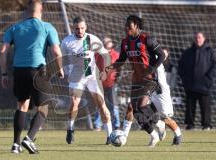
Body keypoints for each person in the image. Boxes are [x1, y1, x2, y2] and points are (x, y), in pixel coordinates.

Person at [0, 0, 64, 154]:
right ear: (41, 10)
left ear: (27, 10)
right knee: (44, 107)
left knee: (22, 105)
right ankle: (29, 139)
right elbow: (56, 51)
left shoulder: (14, 28)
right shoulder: (47, 27)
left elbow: (2, 51)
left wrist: (4, 73)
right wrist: (60, 69)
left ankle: (15, 145)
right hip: (37, 70)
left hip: (19, 71)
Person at [105, 15, 165, 147]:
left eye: (129, 26)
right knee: (136, 112)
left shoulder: (147, 39)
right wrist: (109, 67)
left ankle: (160, 123)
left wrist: (152, 69)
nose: (126, 28)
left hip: (149, 79)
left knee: (142, 106)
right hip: (136, 80)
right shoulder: (125, 42)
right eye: (125, 26)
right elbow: (121, 60)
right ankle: (153, 136)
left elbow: (161, 54)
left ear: (136, 26)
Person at [61, 16, 113, 145]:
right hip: (76, 76)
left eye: (82, 28)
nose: (80, 31)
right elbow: (63, 60)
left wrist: (104, 71)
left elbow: (105, 55)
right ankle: (70, 128)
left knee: (101, 105)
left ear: (86, 27)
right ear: (73, 28)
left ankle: (110, 136)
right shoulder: (66, 42)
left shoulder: (92, 39)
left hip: (92, 77)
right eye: (77, 29)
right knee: (74, 103)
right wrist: (66, 73)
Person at [178, 32, 216, 130]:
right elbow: (181, 67)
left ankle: (206, 125)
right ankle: (190, 124)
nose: (197, 40)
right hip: (190, 84)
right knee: (190, 106)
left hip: (204, 84)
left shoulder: (210, 52)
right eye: (196, 38)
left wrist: (208, 78)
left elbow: (215, 66)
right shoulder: (187, 52)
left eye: (199, 38)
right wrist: (185, 79)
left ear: (204, 39)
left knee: (205, 106)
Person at [151, 48, 182, 145]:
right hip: (152, 91)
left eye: (165, 54)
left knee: (165, 118)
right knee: (144, 110)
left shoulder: (158, 62)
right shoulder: (151, 58)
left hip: (162, 92)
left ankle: (178, 135)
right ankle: (160, 126)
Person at [93, 37, 120, 131]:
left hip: (112, 84)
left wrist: (117, 78)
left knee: (114, 105)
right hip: (100, 84)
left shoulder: (116, 54)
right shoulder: (98, 54)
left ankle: (116, 125)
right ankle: (97, 125)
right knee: (99, 104)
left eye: (108, 41)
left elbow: (119, 67)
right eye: (104, 41)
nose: (106, 42)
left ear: (112, 43)